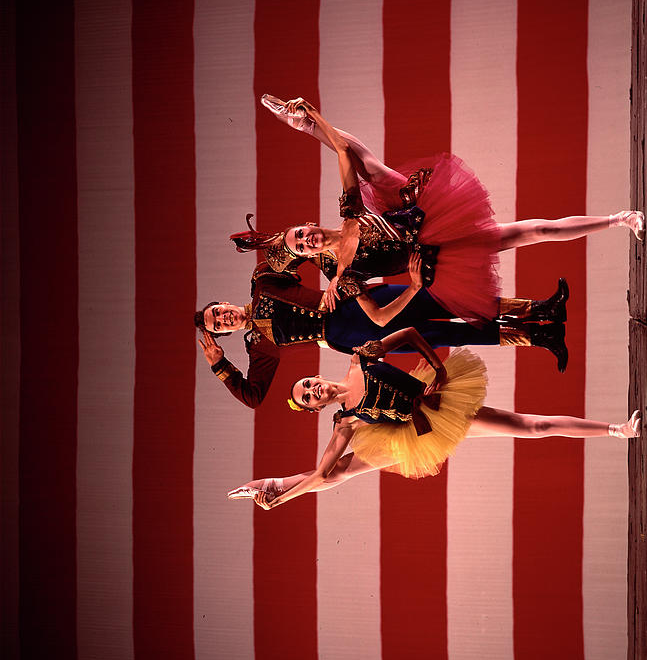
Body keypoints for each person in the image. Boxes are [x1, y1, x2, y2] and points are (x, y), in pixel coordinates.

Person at [237, 95, 644, 320]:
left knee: (373, 170)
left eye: (301, 234)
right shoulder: (344, 274)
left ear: (308, 225)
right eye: (303, 247)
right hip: (437, 252)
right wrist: (413, 288)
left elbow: (345, 150)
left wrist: (311, 120)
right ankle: (619, 222)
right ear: (311, 255)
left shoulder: (349, 213)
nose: (308, 241)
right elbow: (378, 319)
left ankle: (621, 217)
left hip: (425, 212)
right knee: (530, 233)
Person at [226, 327, 641, 510]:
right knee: (339, 472)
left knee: (531, 426)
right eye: (309, 399)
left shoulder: (359, 360)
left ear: (317, 377)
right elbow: (321, 474)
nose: (314, 392)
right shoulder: (347, 420)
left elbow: (406, 334)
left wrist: (437, 369)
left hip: (442, 405)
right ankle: (266, 484)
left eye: (308, 385)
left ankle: (616, 429)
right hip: (412, 436)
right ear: (316, 409)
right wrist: (281, 496)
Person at [196, 255, 571, 410]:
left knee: (443, 303)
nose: (223, 318)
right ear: (224, 334)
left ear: (224, 302)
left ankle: (540, 309)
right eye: (218, 325)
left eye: (219, 311)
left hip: (355, 302)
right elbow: (254, 396)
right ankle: (539, 338)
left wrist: (338, 276)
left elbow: (300, 246)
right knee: (448, 337)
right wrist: (220, 366)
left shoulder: (261, 279)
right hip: (349, 337)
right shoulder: (258, 346)